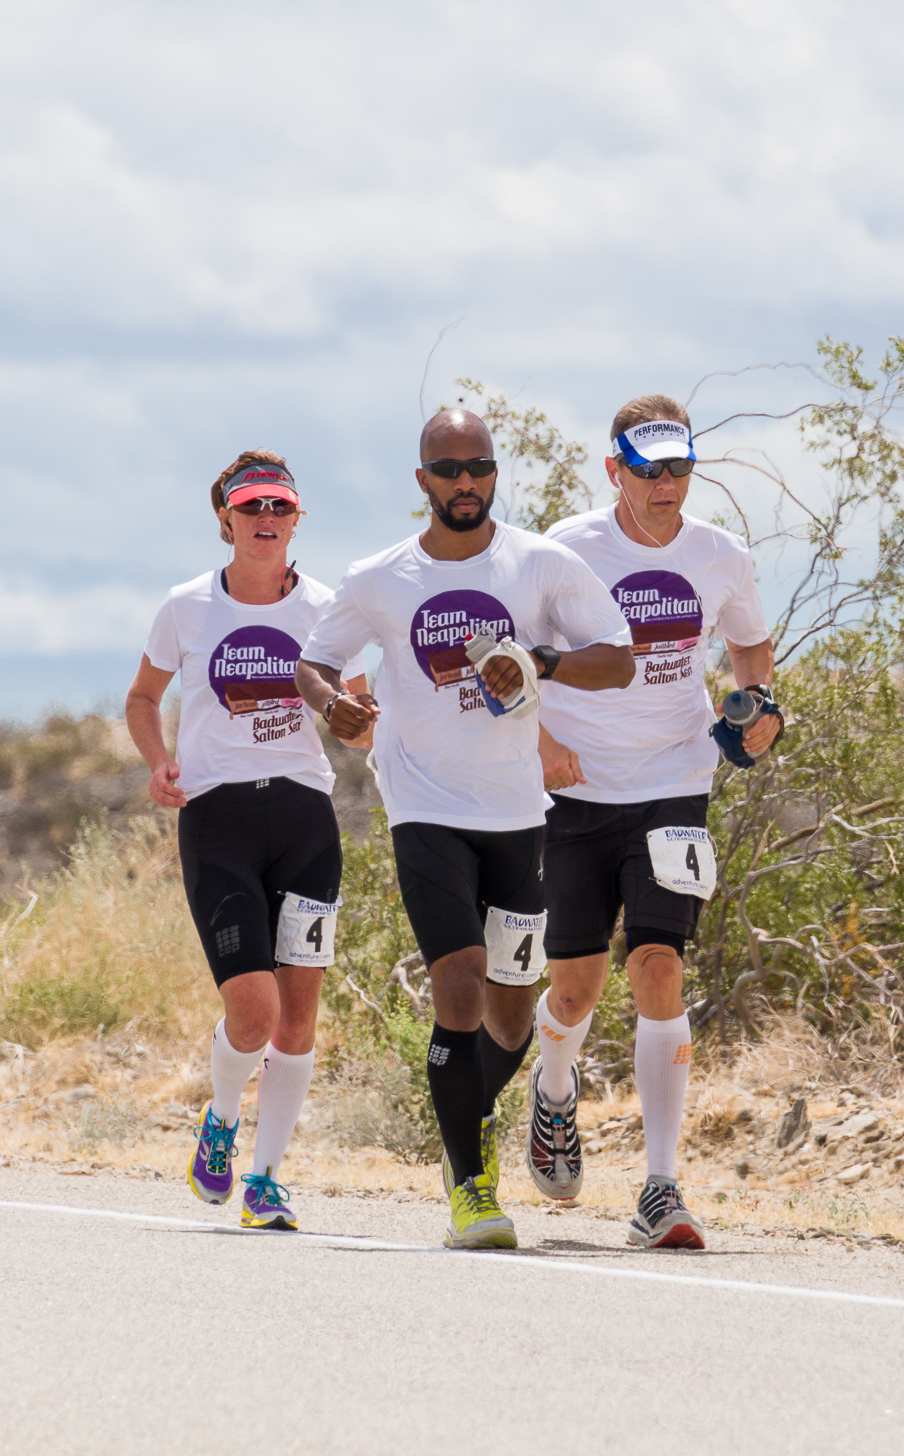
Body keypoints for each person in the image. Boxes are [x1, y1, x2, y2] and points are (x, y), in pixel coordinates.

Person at [295, 408, 635, 1251]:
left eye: (478, 467)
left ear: (494, 471)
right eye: (447, 470)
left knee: (513, 1019)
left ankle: (467, 1126)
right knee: (458, 986)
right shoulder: (380, 576)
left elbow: (619, 656)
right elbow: (312, 658)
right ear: (422, 480)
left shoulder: (541, 564)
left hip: (516, 814)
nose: (465, 483)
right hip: (424, 806)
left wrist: (542, 661)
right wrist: (333, 703)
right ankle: (472, 1190)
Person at [532, 394, 782, 1249]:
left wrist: (759, 704)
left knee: (658, 963)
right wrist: (537, 741)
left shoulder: (721, 556)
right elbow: (509, 658)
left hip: (676, 782)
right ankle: (554, 1084)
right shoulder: (565, 550)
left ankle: (660, 1188)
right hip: (574, 790)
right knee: (574, 987)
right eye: (649, 468)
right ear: (615, 470)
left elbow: (748, 644)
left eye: (679, 466)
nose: (667, 482)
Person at [126, 452, 373, 1230]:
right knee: (254, 1009)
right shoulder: (186, 606)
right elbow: (142, 697)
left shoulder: (331, 611)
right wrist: (158, 761)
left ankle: (266, 1180)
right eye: (252, 505)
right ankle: (223, 1117)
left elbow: (362, 722)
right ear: (226, 518)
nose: (266, 518)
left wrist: (357, 721)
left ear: (297, 519)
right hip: (217, 822)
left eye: (281, 506)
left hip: (304, 822)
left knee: (298, 1018)